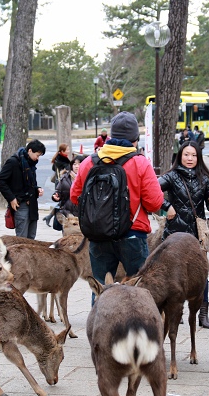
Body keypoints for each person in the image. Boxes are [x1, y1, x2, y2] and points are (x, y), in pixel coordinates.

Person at [70, 111, 164, 286]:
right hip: (133, 234)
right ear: (135, 139)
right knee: (139, 286)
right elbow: (154, 203)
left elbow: (75, 197)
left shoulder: (89, 162)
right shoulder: (140, 163)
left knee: (101, 287)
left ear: (110, 137)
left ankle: (101, 313)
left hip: (99, 234)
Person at [159, 141, 209, 329]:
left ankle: (203, 312)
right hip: (174, 232)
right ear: (180, 156)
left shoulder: (205, 178)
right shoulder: (171, 176)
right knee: (172, 273)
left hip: (197, 233)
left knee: (200, 273)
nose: (190, 158)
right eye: (186, 155)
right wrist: (166, 206)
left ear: (198, 157)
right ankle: (175, 310)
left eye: (193, 155)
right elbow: (152, 190)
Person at [0, 140, 46, 239]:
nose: (38, 158)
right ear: (30, 151)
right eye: (37, 155)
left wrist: (37, 189)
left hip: (32, 204)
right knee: (22, 238)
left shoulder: (31, 164)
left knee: (31, 237)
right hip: (21, 204)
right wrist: (11, 198)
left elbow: (29, 184)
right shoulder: (14, 162)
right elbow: (0, 180)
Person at [42, 143, 72, 227]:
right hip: (62, 183)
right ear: (62, 151)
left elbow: (53, 169)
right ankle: (51, 216)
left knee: (63, 202)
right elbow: (68, 170)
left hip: (59, 182)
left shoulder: (58, 158)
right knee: (63, 203)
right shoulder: (62, 160)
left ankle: (50, 216)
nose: (69, 151)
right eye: (67, 150)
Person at [50, 155, 82, 230]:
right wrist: (55, 196)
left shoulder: (86, 178)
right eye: (74, 164)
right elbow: (58, 191)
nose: (77, 166)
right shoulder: (65, 178)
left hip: (82, 213)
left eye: (79, 164)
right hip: (68, 213)